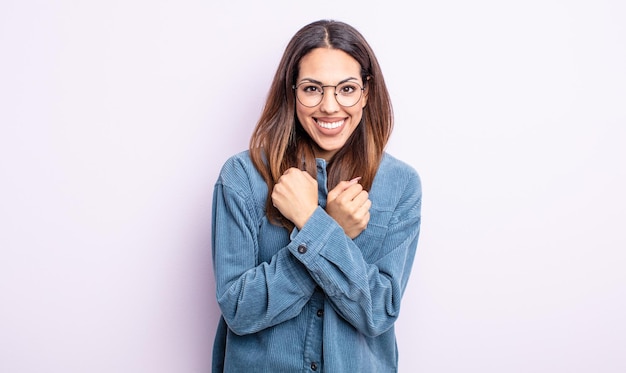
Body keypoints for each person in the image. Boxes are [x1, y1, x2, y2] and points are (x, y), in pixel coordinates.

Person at [211, 19, 422, 372]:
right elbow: (239, 310)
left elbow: (379, 311)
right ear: (292, 91)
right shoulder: (243, 177)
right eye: (312, 89)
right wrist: (330, 232)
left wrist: (312, 223)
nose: (329, 106)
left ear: (366, 92)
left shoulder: (400, 185)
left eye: (347, 89)